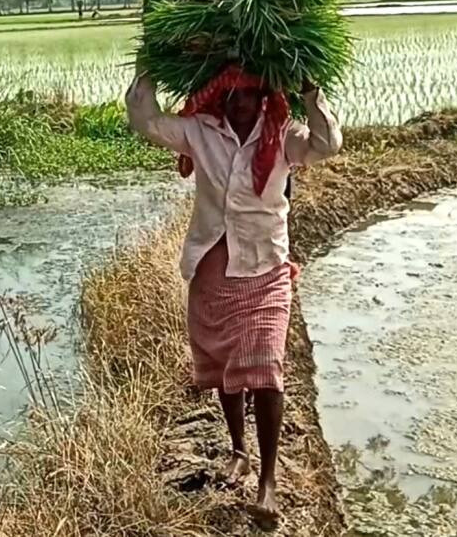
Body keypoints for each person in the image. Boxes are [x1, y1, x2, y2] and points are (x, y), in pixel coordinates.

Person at [124, 62, 342, 525]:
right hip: (214, 266)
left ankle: (268, 481)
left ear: (263, 97)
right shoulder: (200, 132)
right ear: (220, 97)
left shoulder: (282, 134)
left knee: (266, 369)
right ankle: (239, 450)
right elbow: (146, 122)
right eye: (232, 95)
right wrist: (148, 71)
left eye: (249, 94)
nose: (240, 103)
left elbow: (326, 145)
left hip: (266, 265)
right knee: (226, 365)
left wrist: (310, 91)